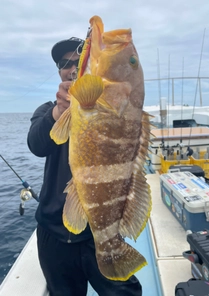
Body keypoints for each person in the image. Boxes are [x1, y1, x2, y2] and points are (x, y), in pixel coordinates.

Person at [27, 37, 142, 296]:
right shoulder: (47, 110)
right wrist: (59, 113)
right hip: (53, 234)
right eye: (63, 63)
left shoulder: (110, 109)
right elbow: (36, 144)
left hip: (98, 228)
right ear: (59, 71)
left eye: (78, 61)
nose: (70, 68)